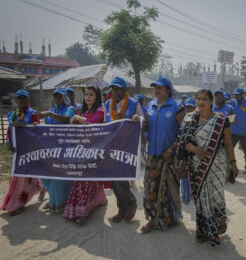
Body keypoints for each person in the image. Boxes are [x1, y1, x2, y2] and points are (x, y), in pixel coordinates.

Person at [177, 89, 238, 246]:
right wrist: (195, 149)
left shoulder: (221, 119)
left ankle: (216, 228)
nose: (201, 101)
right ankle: (201, 231)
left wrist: (233, 163)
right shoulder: (189, 119)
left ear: (211, 102)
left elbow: (229, 142)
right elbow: (183, 143)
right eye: (198, 98)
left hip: (217, 164)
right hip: (197, 165)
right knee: (201, 199)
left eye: (205, 99)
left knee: (217, 197)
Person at [141, 76, 185, 233]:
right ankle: (153, 218)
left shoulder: (177, 106)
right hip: (152, 155)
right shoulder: (150, 105)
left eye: (160, 87)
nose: (156, 90)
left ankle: (170, 217)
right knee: (150, 187)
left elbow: (183, 132)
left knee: (168, 188)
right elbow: (146, 128)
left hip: (169, 156)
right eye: (155, 87)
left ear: (168, 89)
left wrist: (171, 149)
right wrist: (139, 123)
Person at [62, 86, 107, 224]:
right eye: (86, 94)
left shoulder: (100, 110)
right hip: (80, 150)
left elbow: (92, 124)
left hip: (93, 151)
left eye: (91, 95)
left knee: (88, 181)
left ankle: (83, 212)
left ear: (97, 97)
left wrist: (77, 118)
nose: (88, 97)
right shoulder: (81, 110)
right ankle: (98, 200)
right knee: (80, 180)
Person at [104, 76, 143, 223]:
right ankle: (121, 209)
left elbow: (143, 120)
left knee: (121, 180)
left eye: (118, 89)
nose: (115, 92)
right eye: (113, 89)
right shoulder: (108, 104)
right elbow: (104, 124)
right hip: (112, 147)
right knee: (114, 181)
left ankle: (131, 203)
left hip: (127, 148)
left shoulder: (134, 103)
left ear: (125, 90)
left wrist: (138, 119)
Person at [0, 89, 44, 216]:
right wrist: (8, 142)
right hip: (16, 150)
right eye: (20, 98)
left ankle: (17, 203)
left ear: (28, 100)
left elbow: (37, 130)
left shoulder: (32, 114)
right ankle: (39, 188)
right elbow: (9, 130)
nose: (22, 100)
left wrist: (25, 125)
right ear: (16, 100)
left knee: (23, 177)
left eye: (25, 98)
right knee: (21, 176)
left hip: (28, 150)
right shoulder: (12, 115)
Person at [39, 88, 75, 212]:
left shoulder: (70, 109)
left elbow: (66, 120)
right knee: (45, 175)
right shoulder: (51, 110)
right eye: (56, 97)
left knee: (59, 175)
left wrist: (49, 114)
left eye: (60, 97)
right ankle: (54, 198)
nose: (58, 99)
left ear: (64, 98)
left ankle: (60, 202)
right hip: (50, 148)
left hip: (65, 148)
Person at [230, 87, 246, 174]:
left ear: (242, 95)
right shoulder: (232, 103)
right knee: (229, 150)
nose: (236, 96)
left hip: (245, 132)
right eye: (235, 95)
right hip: (233, 132)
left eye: (237, 95)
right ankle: (229, 167)